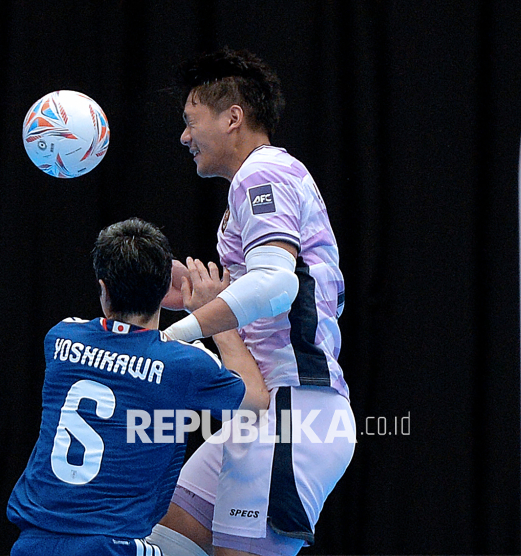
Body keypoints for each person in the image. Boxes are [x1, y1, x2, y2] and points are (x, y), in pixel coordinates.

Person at [147, 49, 356, 556]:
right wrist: (193, 295)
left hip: (295, 412)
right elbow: (274, 291)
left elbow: (275, 285)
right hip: (262, 413)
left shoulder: (263, 174)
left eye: (191, 120)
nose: (184, 137)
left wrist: (172, 337)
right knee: (167, 531)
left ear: (232, 117)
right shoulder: (257, 183)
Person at [7, 218, 270, 556]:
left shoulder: (61, 338)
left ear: (103, 288)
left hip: (32, 544)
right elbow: (257, 401)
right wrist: (213, 314)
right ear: (161, 291)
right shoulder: (184, 364)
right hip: (113, 547)